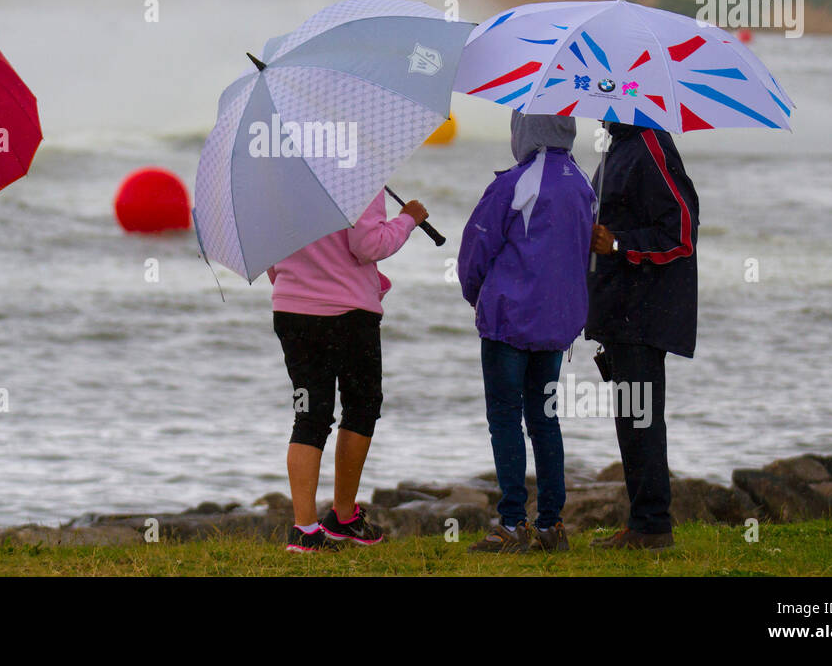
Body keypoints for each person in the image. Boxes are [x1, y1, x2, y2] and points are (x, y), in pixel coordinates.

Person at [458, 114, 594, 554]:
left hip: (509, 320)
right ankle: (552, 525)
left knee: (504, 415)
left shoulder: (515, 183)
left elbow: (476, 250)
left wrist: (477, 294)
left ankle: (513, 522)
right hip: (556, 324)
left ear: (525, 129)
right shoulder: (583, 186)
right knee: (544, 418)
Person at [267, 191, 427, 553]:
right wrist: (408, 220)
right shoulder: (357, 173)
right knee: (361, 406)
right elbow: (367, 245)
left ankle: (304, 531)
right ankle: (342, 517)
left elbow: (273, 262)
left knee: (309, 415)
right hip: (349, 312)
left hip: (292, 311)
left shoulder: (281, 179)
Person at [585, 121, 699, 550]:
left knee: (641, 419)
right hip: (619, 311)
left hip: (642, 312)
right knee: (633, 419)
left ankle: (652, 525)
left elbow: (682, 232)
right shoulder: (619, 146)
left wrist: (618, 245)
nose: (598, 112)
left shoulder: (650, 144)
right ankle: (644, 523)